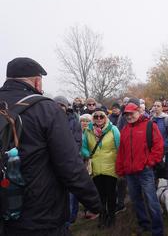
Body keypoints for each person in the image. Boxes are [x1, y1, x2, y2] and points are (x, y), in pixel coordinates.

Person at [0, 57, 102, 236]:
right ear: (37, 81)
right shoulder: (46, 109)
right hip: (39, 215)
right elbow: (70, 164)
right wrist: (92, 202)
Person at [116, 100, 164, 236]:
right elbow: (121, 152)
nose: (129, 116)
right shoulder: (125, 130)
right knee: (136, 200)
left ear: (138, 112)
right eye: (126, 115)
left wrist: (149, 162)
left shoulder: (149, 125)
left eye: (131, 113)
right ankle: (144, 224)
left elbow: (158, 146)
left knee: (152, 201)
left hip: (145, 171)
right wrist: (120, 169)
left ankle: (158, 230)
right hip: (130, 173)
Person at [81, 110, 120, 228]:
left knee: (111, 194)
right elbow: (83, 147)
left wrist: (120, 164)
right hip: (96, 168)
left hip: (111, 167)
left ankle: (112, 217)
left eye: (101, 116)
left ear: (105, 117)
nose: (98, 118)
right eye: (96, 116)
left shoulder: (114, 130)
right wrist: (87, 154)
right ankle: (102, 216)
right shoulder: (88, 131)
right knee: (100, 195)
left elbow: (119, 147)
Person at [53, 95, 82, 225]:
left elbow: (77, 141)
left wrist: (68, 156)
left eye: (62, 105)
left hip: (69, 161)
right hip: (53, 162)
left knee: (71, 193)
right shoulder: (49, 120)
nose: (59, 107)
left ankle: (70, 219)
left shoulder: (74, 121)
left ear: (66, 107)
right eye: (56, 105)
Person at [151, 100, 168, 178]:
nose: (156, 108)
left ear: (162, 108)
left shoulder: (166, 119)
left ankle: (165, 185)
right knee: (156, 168)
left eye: (158, 106)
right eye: (154, 106)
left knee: (165, 168)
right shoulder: (151, 119)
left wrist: (164, 145)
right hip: (154, 149)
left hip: (164, 149)